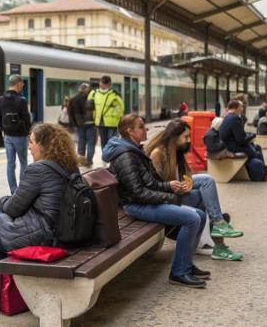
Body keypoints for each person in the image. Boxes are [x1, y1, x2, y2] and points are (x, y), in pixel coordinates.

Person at [102, 114, 209, 288]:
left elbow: (151, 182)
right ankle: (179, 272)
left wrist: (168, 186)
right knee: (192, 218)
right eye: (141, 126)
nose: (147, 129)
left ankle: (186, 265)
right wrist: (167, 197)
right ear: (130, 131)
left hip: (145, 202)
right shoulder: (126, 156)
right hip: (136, 207)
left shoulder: (136, 150)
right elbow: (137, 193)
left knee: (200, 215)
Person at [0, 123, 78, 265]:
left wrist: (3, 200)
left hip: (42, 238)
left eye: (32, 142)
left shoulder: (38, 170)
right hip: (61, 235)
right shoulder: (71, 168)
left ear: (44, 145)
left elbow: (13, 209)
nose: (29, 147)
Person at [145, 119, 244, 261]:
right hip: (166, 199)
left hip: (176, 191)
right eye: (185, 136)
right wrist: (175, 188)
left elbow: (186, 176)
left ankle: (218, 223)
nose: (189, 140)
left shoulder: (177, 151)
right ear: (174, 137)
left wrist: (188, 184)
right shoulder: (158, 154)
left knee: (207, 180)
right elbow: (155, 186)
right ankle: (218, 242)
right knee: (204, 195)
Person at [0, 75, 33, 194]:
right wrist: (29, 132)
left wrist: (2, 128)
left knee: (10, 163)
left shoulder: (1, 100)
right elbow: (26, 119)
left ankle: (13, 190)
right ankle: (21, 191)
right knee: (23, 162)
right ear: (19, 85)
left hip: (7, 136)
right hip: (20, 136)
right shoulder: (21, 100)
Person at [218, 100, 267, 181]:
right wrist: (252, 136)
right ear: (236, 108)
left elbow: (238, 135)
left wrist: (249, 137)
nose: (242, 109)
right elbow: (241, 140)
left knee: (256, 147)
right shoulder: (235, 119)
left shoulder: (227, 117)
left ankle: (263, 172)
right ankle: (261, 173)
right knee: (256, 152)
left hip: (227, 146)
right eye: (241, 107)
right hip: (232, 148)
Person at [89, 75, 124, 151]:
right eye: (101, 82)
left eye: (104, 83)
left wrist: (114, 116)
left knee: (111, 140)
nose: (102, 84)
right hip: (100, 122)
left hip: (112, 122)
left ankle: (111, 156)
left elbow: (119, 108)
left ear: (109, 83)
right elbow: (90, 106)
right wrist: (94, 116)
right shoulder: (94, 93)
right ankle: (105, 156)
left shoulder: (114, 94)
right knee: (103, 141)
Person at [68, 83, 97, 167]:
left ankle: (81, 160)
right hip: (91, 122)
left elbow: (70, 112)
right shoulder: (91, 98)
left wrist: (74, 123)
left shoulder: (73, 99)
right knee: (91, 142)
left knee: (81, 140)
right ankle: (89, 160)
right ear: (86, 89)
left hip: (80, 124)